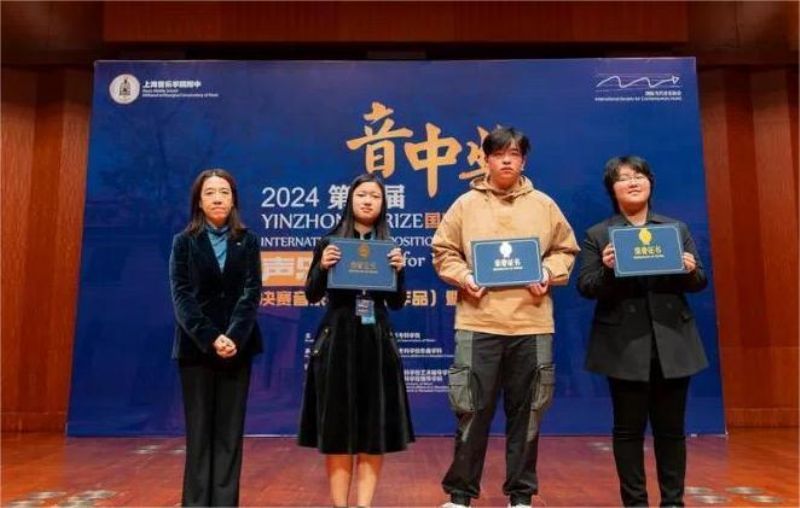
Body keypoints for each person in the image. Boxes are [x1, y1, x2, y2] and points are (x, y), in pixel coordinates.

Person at [432, 126, 579, 508]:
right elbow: (444, 251)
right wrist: (465, 277)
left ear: (524, 161)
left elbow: (566, 250)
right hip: (477, 323)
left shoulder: (544, 205)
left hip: (532, 324)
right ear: (486, 160)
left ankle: (521, 496)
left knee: (528, 413)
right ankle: (460, 495)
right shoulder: (465, 205)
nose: (507, 161)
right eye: (499, 154)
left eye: (514, 154)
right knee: (470, 410)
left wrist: (547, 272)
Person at [577, 155, 708, 507]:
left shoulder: (675, 229)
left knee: (672, 431)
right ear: (612, 189)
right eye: (623, 178)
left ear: (650, 182)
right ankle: (635, 503)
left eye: (639, 176)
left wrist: (689, 269)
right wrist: (607, 269)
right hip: (623, 345)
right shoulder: (598, 235)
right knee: (627, 431)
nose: (633, 182)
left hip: (672, 341)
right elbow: (586, 287)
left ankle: (673, 502)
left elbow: (699, 281)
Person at [298, 173, 415, 508]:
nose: (367, 201)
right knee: (338, 429)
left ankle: (364, 505)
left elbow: (397, 303)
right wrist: (322, 266)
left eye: (375, 196)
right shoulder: (330, 242)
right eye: (362, 195)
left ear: (383, 204)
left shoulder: (390, 246)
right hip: (337, 340)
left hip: (376, 342)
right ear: (350, 199)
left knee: (372, 431)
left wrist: (399, 271)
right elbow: (311, 294)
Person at [169, 169, 263, 506]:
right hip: (196, 349)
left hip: (239, 347)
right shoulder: (184, 242)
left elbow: (252, 293)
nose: (218, 198)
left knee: (229, 433)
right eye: (209, 192)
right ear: (199, 201)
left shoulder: (248, 241)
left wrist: (233, 336)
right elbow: (182, 297)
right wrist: (211, 338)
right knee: (199, 433)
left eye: (224, 192)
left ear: (233, 199)